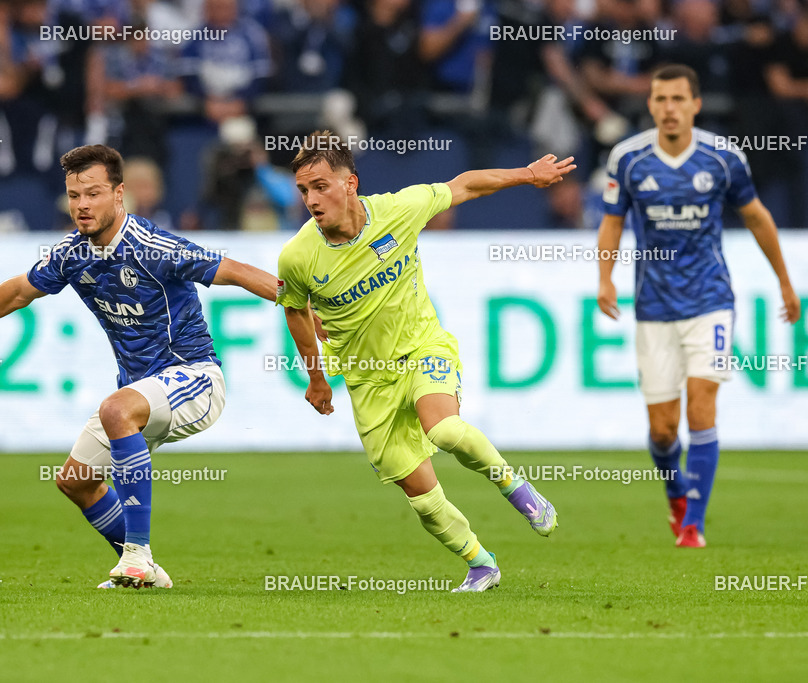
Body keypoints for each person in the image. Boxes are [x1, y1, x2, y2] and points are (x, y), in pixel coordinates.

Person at [0, 144, 278, 587]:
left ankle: (136, 556)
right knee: (76, 482)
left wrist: (301, 306)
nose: (82, 205)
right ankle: (145, 573)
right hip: (140, 392)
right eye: (74, 196)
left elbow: (235, 270)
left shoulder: (153, 246)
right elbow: (19, 291)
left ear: (119, 194)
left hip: (195, 378)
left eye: (93, 194)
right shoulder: (71, 254)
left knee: (116, 409)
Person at [276, 131, 574, 592]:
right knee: (420, 496)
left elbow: (465, 185)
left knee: (445, 429)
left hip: (422, 349)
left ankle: (515, 487)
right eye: (303, 190)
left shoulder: (400, 209)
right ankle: (480, 564)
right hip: (367, 381)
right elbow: (296, 311)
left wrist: (528, 174)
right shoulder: (297, 257)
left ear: (350, 183)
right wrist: (317, 379)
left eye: (320, 186)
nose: (311, 200)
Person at [596, 64, 801, 549]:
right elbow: (612, 222)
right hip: (654, 307)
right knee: (663, 430)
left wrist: (785, 282)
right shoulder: (628, 159)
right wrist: (604, 279)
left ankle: (694, 523)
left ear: (696, 104)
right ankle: (675, 491)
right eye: (660, 99)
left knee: (702, 406)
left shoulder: (723, 158)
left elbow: (757, 217)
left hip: (710, 300)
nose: (669, 108)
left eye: (678, 99)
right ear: (650, 105)